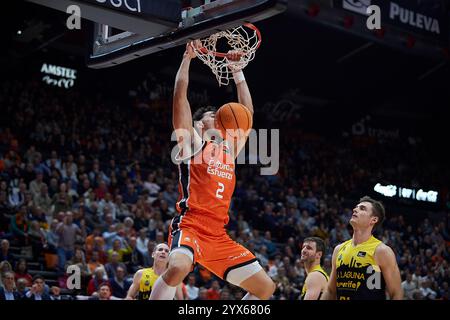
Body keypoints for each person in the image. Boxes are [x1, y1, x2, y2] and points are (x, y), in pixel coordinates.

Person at [149, 42, 275, 300]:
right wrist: (187, 59)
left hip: (218, 234)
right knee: (177, 269)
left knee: (266, 288)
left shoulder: (229, 149)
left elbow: (246, 115)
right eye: (210, 114)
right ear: (199, 124)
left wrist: (238, 71)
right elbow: (179, 97)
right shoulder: (191, 145)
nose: (216, 115)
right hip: (191, 225)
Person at [322, 196, 403, 300]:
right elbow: (330, 290)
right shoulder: (339, 249)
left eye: (362, 208)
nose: (355, 209)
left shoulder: (381, 251)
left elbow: (396, 293)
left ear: (373, 220)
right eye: (356, 207)